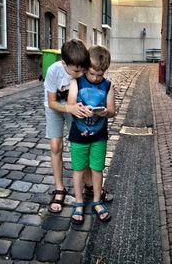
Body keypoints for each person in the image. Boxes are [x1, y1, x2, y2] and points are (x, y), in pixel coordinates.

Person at [44, 39, 113, 214]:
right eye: (77, 70)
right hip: (57, 107)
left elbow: (98, 81)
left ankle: (90, 185)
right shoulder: (54, 71)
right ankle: (60, 188)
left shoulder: (84, 70)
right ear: (64, 63)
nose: (80, 73)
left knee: (85, 140)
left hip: (76, 106)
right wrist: (69, 108)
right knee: (55, 145)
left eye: (84, 69)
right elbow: (52, 102)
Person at [68, 45, 115, 224]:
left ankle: (97, 200)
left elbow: (112, 111)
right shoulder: (77, 82)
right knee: (78, 169)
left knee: (97, 169)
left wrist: (104, 113)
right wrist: (80, 108)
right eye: (92, 73)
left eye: (100, 75)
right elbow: (71, 103)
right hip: (78, 135)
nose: (95, 78)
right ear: (87, 66)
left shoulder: (108, 86)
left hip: (99, 136)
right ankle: (79, 202)